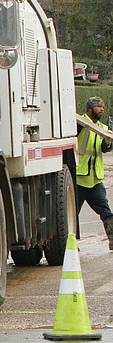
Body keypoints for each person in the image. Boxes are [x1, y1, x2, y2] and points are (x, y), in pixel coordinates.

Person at [77, 96, 113, 250]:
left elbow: (105, 149)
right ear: (90, 108)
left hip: (94, 179)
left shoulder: (103, 128)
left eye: (103, 106)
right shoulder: (79, 123)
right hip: (79, 178)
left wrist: (108, 141)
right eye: (99, 106)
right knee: (71, 215)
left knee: (106, 212)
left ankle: (112, 241)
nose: (102, 109)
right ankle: (68, 244)